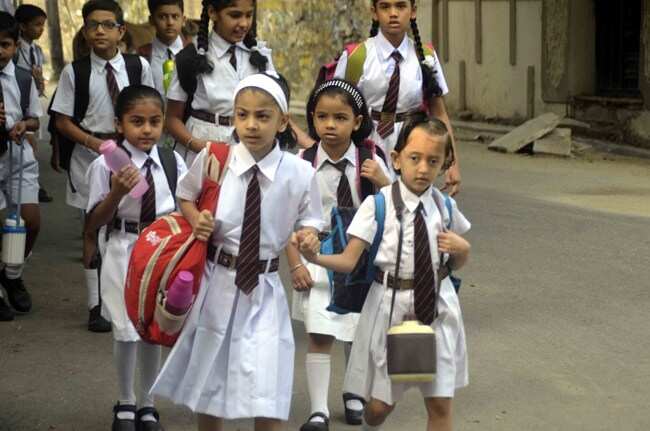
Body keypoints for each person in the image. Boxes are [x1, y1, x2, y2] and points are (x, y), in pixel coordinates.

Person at [151, 72, 324, 431]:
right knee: (210, 378)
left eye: (263, 116)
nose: (251, 124)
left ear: (282, 122)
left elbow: (311, 219)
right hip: (216, 283)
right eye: (242, 115)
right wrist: (197, 219)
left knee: (269, 382)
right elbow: (186, 195)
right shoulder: (215, 158)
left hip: (265, 289)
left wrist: (309, 236)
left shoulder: (300, 172)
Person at [296, 114, 471, 431]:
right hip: (392, 310)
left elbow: (453, 265)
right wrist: (314, 257)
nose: (423, 168)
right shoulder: (378, 206)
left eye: (433, 161)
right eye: (415, 158)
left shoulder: (445, 207)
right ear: (396, 159)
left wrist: (463, 251)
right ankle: (370, 422)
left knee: (440, 405)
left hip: (437, 310)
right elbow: (349, 261)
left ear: (444, 164)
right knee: (379, 407)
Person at [290, 78, 391, 431]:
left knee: (357, 331)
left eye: (340, 118)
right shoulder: (302, 162)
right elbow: (286, 216)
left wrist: (384, 181)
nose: (330, 125)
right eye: (322, 117)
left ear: (357, 121)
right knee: (320, 332)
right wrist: (295, 264)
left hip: (360, 255)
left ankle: (353, 393)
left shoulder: (372, 159)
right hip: (317, 254)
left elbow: (397, 205)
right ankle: (318, 410)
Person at [85, 84, 185, 431]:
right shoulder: (104, 164)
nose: (146, 130)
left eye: (154, 122)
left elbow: (184, 207)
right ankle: (126, 400)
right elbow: (93, 222)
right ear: (119, 124)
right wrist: (116, 193)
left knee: (153, 329)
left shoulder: (171, 161)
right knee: (126, 330)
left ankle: (148, 403)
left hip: (161, 251)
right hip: (123, 249)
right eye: (137, 121)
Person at [50, 0, 154, 332]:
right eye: (93, 25)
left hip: (131, 153)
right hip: (89, 156)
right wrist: (93, 143)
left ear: (121, 31)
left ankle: (136, 291)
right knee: (92, 226)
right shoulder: (75, 72)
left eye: (108, 25)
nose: (100, 31)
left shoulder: (137, 67)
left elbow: (151, 108)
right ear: (84, 31)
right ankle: (96, 304)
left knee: (132, 221)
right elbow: (62, 120)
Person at [330, 0, 461, 196]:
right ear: (374, 12)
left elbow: (439, 112)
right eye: (385, 7)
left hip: (412, 141)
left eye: (400, 6)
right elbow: (336, 108)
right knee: (369, 203)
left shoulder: (425, 57)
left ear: (413, 11)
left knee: (407, 204)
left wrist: (452, 163)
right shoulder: (356, 57)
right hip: (367, 141)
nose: (393, 13)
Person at [165, 0, 274, 167]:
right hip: (203, 147)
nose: (244, 23)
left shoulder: (260, 56)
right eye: (235, 15)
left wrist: (309, 144)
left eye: (249, 15)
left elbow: (276, 108)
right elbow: (172, 118)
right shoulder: (191, 57)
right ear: (212, 13)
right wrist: (198, 145)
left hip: (249, 145)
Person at [0, 12, 42, 321]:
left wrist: (22, 125)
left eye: (5, 44)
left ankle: (12, 273)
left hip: (17, 157)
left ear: (16, 46)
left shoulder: (23, 78)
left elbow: (34, 119)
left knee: (31, 221)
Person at [14, 4, 52, 203]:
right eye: (37, 25)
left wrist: (39, 82)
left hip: (32, 101)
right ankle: (32, 186)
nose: (41, 29)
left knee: (31, 144)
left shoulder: (36, 50)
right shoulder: (14, 49)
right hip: (18, 104)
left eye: (43, 25)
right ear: (22, 26)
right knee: (28, 144)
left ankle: (33, 184)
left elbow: (37, 75)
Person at [138, 0, 186, 98]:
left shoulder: (195, 54)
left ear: (183, 20)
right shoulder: (141, 56)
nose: (170, 23)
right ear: (151, 20)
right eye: (162, 17)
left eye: (175, 16)